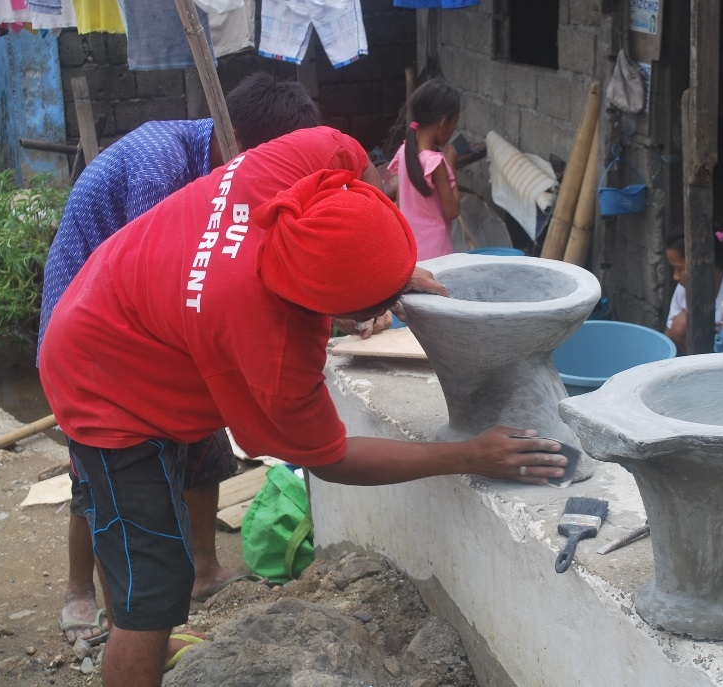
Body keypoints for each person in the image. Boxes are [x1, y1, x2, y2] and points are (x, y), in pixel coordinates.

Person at [39, 126, 567, 687]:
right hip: (100, 383)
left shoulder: (287, 167)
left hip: (116, 292)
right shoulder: (274, 356)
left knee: (136, 549)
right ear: (337, 309)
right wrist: (465, 455)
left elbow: (352, 155)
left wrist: (379, 264)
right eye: (381, 303)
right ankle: (138, 642)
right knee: (155, 588)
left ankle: (140, 619)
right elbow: (331, 457)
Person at [40, 72, 389, 647]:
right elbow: (179, 288)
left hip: (164, 322)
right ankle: (90, 597)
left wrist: (357, 278)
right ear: (243, 145)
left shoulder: (241, 161)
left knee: (203, 451)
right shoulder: (160, 162)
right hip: (93, 323)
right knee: (104, 483)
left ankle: (202, 568)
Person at [387, 78, 462, 261]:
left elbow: (400, 203)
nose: (453, 129)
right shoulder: (435, 162)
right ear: (443, 122)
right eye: (454, 123)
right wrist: (451, 166)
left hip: (410, 250)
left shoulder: (404, 152)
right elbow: (453, 210)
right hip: (437, 253)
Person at [664, 228, 723, 354]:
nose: (675, 276)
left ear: (703, 263)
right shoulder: (683, 287)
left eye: (680, 269)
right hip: (699, 356)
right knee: (679, 324)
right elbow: (670, 332)